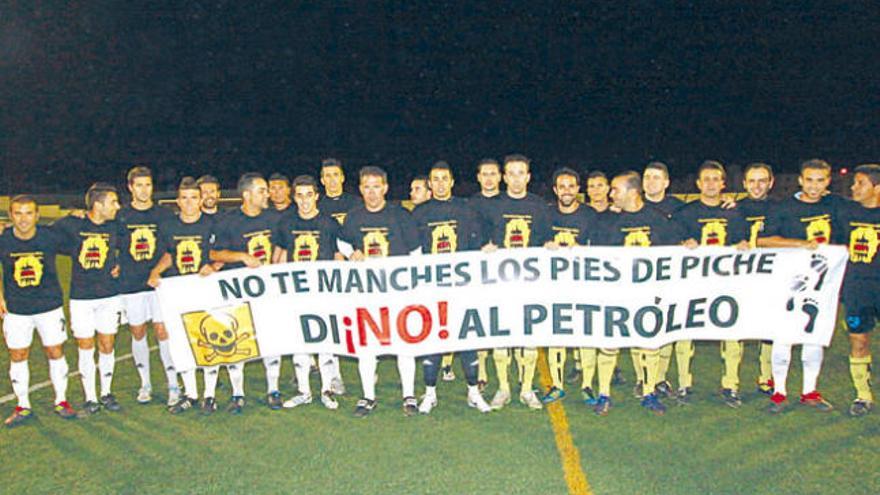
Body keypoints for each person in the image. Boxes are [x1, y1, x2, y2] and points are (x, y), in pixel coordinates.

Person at [758, 159, 845, 413]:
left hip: (822, 286)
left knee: (814, 337)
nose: (814, 186)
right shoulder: (784, 208)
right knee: (783, 337)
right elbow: (764, 241)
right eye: (809, 180)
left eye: (820, 180)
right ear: (800, 180)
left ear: (828, 182)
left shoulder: (835, 206)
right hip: (788, 284)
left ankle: (810, 391)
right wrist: (800, 245)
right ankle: (779, 392)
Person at [337, 166, 421, 417]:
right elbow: (341, 241)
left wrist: (412, 287)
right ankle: (368, 396)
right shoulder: (353, 217)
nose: (372, 192)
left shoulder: (400, 215)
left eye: (376, 186)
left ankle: (409, 395)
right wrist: (351, 252)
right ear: (361, 189)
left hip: (397, 292)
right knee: (367, 346)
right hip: (366, 294)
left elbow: (416, 253)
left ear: (385, 187)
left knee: (404, 344)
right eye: (367, 187)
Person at [410, 161, 491, 414]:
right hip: (432, 287)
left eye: (445, 178)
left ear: (452, 182)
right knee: (433, 340)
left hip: (462, 287)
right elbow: (412, 251)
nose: (441, 183)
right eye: (436, 179)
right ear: (430, 184)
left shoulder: (466, 210)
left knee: (467, 339)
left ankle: (473, 392)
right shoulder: (419, 213)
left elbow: (478, 242)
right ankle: (430, 393)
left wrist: (486, 250)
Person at [597, 171, 680, 416]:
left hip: (649, 295)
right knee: (610, 343)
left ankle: (649, 392)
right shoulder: (609, 222)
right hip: (618, 294)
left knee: (649, 343)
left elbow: (675, 253)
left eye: (615, 190)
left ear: (632, 193)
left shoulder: (659, 221)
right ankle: (604, 394)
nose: (611, 194)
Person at [674, 161, 749, 407]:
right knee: (685, 333)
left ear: (724, 184)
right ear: (698, 184)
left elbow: (744, 242)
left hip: (726, 284)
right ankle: (684, 383)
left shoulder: (734, 212)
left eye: (716, 179)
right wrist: (684, 244)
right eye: (706, 179)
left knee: (731, 333)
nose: (711, 184)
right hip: (694, 284)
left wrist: (743, 247)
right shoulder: (686, 213)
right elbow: (672, 245)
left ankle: (731, 385)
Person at [210, 173, 285, 413]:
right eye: (262, 191)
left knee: (272, 339)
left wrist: (276, 264)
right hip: (237, 291)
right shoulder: (228, 221)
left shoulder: (275, 218)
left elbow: (283, 246)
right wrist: (241, 256)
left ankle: (273, 389)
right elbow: (213, 254)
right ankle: (237, 393)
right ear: (247, 195)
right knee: (236, 340)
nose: (268, 195)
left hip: (267, 290)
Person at [481, 154, 551, 411]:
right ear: (504, 177)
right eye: (511, 173)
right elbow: (483, 239)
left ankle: (526, 388)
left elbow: (546, 238)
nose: (516, 178)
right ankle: (503, 388)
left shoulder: (539, 206)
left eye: (521, 173)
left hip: (529, 282)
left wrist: (549, 246)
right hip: (500, 282)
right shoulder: (493, 206)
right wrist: (484, 248)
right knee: (501, 337)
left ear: (528, 177)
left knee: (529, 336)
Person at [0, 196, 77, 426]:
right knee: (18, 355)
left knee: (55, 351)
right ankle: (23, 406)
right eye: (18, 213)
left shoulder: (50, 237)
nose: (24, 219)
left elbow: (80, 242)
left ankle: (61, 400)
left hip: (49, 307)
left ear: (36, 215)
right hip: (16, 309)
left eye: (28, 213)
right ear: (11, 216)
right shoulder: (3, 239)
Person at [147, 177, 220, 414]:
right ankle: (190, 393)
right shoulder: (169, 226)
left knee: (208, 338)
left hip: (204, 288)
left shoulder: (212, 224)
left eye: (194, 198)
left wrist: (214, 266)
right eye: (185, 198)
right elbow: (170, 254)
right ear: (178, 201)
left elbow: (221, 253)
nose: (189, 203)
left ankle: (209, 395)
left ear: (200, 200)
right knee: (182, 341)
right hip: (178, 289)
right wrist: (156, 271)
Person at [274, 175, 344, 411]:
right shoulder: (286, 223)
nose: (304, 201)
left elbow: (338, 256)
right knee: (299, 343)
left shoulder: (329, 224)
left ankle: (326, 390)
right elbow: (280, 257)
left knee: (324, 342)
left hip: (322, 292)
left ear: (317, 196)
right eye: (299, 195)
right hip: (296, 292)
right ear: (294, 197)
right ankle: (304, 391)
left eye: (308, 195)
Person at [53, 183, 122, 415]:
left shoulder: (115, 226)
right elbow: (50, 232)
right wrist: (71, 214)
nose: (117, 206)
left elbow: (128, 250)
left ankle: (106, 392)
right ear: (98, 204)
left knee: (108, 344)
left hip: (109, 296)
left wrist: (119, 264)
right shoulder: (74, 225)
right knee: (85, 345)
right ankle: (90, 397)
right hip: (81, 297)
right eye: (112, 202)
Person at [116, 166, 178, 407]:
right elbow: (111, 245)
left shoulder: (164, 215)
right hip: (131, 283)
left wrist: (158, 271)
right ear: (130, 187)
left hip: (159, 283)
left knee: (163, 331)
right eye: (139, 185)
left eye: (148, 185)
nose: (144, 190)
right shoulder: (121, 216)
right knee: (138, 332)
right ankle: (146, 384)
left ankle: (173, 383)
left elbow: (172, 250)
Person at [542, 167, 601, 406]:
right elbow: (534, 244)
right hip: (554, 286)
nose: (566, 191)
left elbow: (602, 247)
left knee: (585, 335)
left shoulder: (591, 216)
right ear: (555, 190)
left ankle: (587, 384)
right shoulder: (545, 215)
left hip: (583, 285)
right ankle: (557, 385)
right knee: (556, 335)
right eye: (561, 186)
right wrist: (545, 245)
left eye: (571, 186)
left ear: (578, 189)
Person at [835, 164, 880, 416]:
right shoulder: (845, 212)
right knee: (859, 341)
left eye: (860, 183)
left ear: (877, 187)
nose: (853, 187)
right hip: (856, 290)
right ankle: (862, 395)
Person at [738, 162, 777, 395]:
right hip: (740, 277)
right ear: (744, 184)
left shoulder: (781, 209)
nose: (757, 186)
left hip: (770, 277)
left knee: (769, 328)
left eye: (762, 180)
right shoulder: (733, 209)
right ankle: (730, 380)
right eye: (752, 181)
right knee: (736, 327)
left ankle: (766, 377)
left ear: (771, 183)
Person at [469, 158, 503, 390]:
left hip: (509, 271)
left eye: (493, 174)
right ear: (478, 177)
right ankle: (481, 371)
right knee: (482, 319)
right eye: (485, 174)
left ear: (500, 177)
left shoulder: (509, 201)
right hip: (479, 271)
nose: (489, 178)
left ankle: (518, 370)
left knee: (507, 319)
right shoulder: (469, 205)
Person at [318, 158, 357, 225]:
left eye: (335, 175)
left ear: (342, 178)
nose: (332, 180)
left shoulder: (357, 203)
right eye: (328, 176)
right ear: (322, 181)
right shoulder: (316, 206)